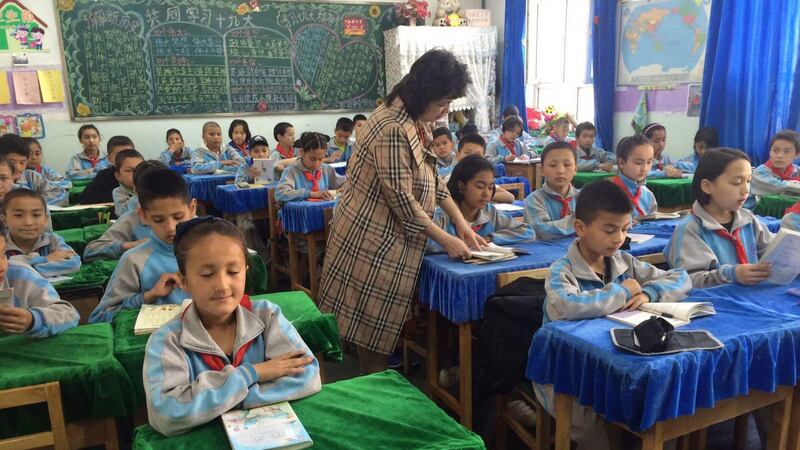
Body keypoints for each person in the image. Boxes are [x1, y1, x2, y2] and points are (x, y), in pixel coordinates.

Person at [318, 49, 485, 374]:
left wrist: (460, 221)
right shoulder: (393, 126)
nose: (444, 111)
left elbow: (432, 177)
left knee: (374, 331)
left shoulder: (411, 119)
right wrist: (447, 240)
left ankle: (377, 390)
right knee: (371, 333)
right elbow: (403, 202)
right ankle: (376, 399)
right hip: (371, 242)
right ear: (422, 93)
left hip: (385, 238)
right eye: (441, 103)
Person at [534, 180, 690, 450]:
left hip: (614, 364)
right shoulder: (562, 271)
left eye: (625, 229)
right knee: (594, 436)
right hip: (564, 374)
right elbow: (572, 306)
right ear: (580, 228)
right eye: (609, 230)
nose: (619, 238)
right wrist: (622, 291)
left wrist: (649, 294)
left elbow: (681, 278)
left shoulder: (623, 261)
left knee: (662, 413)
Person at [143, 216, 320, 436]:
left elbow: (307, 376)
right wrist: (253, 373)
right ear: (184, 280)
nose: (222, 285)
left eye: (234, 272)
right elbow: (167, 414)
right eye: (207, 274)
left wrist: (213, 404)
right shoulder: (167, 340)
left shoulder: (267, 315)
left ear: (246, 269)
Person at [89, 168, 195, 323]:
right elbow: (100, 317)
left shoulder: (214, 249)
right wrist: (148, 296)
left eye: (178, 217)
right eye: (158, 220)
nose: (171, 227)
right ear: (143, 216)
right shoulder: (134, 260)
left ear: (192, 209)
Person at [665, 149, 774, 288]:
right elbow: (687, 280)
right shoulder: (691, 229)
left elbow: (773, 252)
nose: (746, 190)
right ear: (707, 186)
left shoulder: (748, 219)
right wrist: (731, 274)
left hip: (751, 297)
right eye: (736, 182)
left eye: (748, 181)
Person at [428, 155, 534, 252]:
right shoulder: (442, 216)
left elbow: (528, 232)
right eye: (480, 186)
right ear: (461, 186)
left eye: (490, 187)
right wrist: (454, 243)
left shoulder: (489, 212)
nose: (486, 194)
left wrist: (489, 239)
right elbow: (424, 243)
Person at [0, 226, 79, 338]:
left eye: (3, 254)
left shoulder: (20, 275)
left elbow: (69, 314)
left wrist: (33, 320)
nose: (2, 267)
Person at [82, 161, 163, 262]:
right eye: (150, 189)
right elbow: (91, 251)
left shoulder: (184, 215)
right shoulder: (132, 219)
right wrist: (128, 245)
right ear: (136, 192)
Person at [4, 189, 80, 278]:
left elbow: (74, 263)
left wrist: (19, 271)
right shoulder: (2, 245)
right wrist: (46, 259)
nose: (28, 222)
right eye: (18, 215)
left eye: (36, 215)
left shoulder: (53, 240)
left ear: (45, 220)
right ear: (4, 220)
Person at [524, 141, 579, 240]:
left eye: (567, 165)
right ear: (542, 170)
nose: (560, 171)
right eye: (553, 165)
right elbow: (542, 231)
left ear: (575, 169)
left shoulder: (583, 198)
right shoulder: (534, 200)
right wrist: (578, 220)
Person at [275, 132, 346, 204]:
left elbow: (344, 183)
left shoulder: (326, 169)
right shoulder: (291, 171)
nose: (316, 164)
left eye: (320, 159)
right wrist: (311, 194)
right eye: (312, 159)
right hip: (301, 214)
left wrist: (343, 188)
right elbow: (280, 195)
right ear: (302, 152)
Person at [0, 134, 67, 206]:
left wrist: (34, 205)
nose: (18, 167)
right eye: (12, 162)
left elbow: (59, 193)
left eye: (22, 162)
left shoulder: (31, 177)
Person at [746, 130, 800, 208]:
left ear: (797, 155)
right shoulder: (760, 172)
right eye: (775, 150)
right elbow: (778, 187)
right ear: (770, 152)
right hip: (756, 213)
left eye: (786, 151)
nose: (779, 155)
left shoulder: (796, 170)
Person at [612, 135, 658, 220]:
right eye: (638, 163)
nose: (645, 168)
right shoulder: (608, 193)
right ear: (621, 163)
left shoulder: (648, 195)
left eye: (649, 162)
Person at [81, 135, 135, 204]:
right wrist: (118, 196)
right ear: (109, 159)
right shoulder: (104, 175)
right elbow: (86, 197)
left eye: (128, 154)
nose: (124, 159)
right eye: (118, 155)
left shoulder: (143, 172)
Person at [112, 149, 144, 217]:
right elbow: (124, 213)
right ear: (118, 176)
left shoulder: (150, 188)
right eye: (129, 170)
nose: (136, 173)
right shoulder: (118, 192)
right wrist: (137, 195)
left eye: (140, 169)